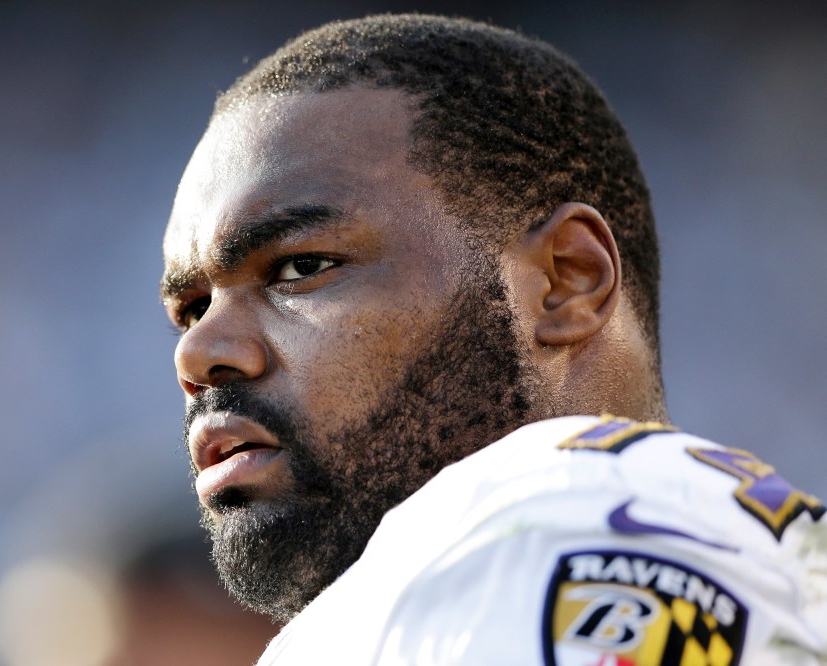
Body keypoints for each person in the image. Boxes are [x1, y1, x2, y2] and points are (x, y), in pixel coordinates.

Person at [161, 14, 827, 665]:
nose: (196, 354)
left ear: (568, 282)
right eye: (191, 308)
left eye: (300, 269)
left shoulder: (577, 520)